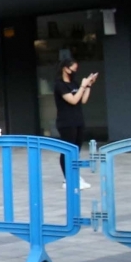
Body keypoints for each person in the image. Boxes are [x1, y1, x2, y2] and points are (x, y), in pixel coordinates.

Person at [54, 55, 97, 188]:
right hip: (66, 122)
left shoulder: (75, 84)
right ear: (66, 69)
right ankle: (68, 178)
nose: (75, 71)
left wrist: (88, 86)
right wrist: (83, 87)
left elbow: (82, 100)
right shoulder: (60, 85)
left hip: (78, 120)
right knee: (68, 149)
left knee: (76, 149)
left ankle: (74, 176)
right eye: (73, 68)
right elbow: (73, 100)